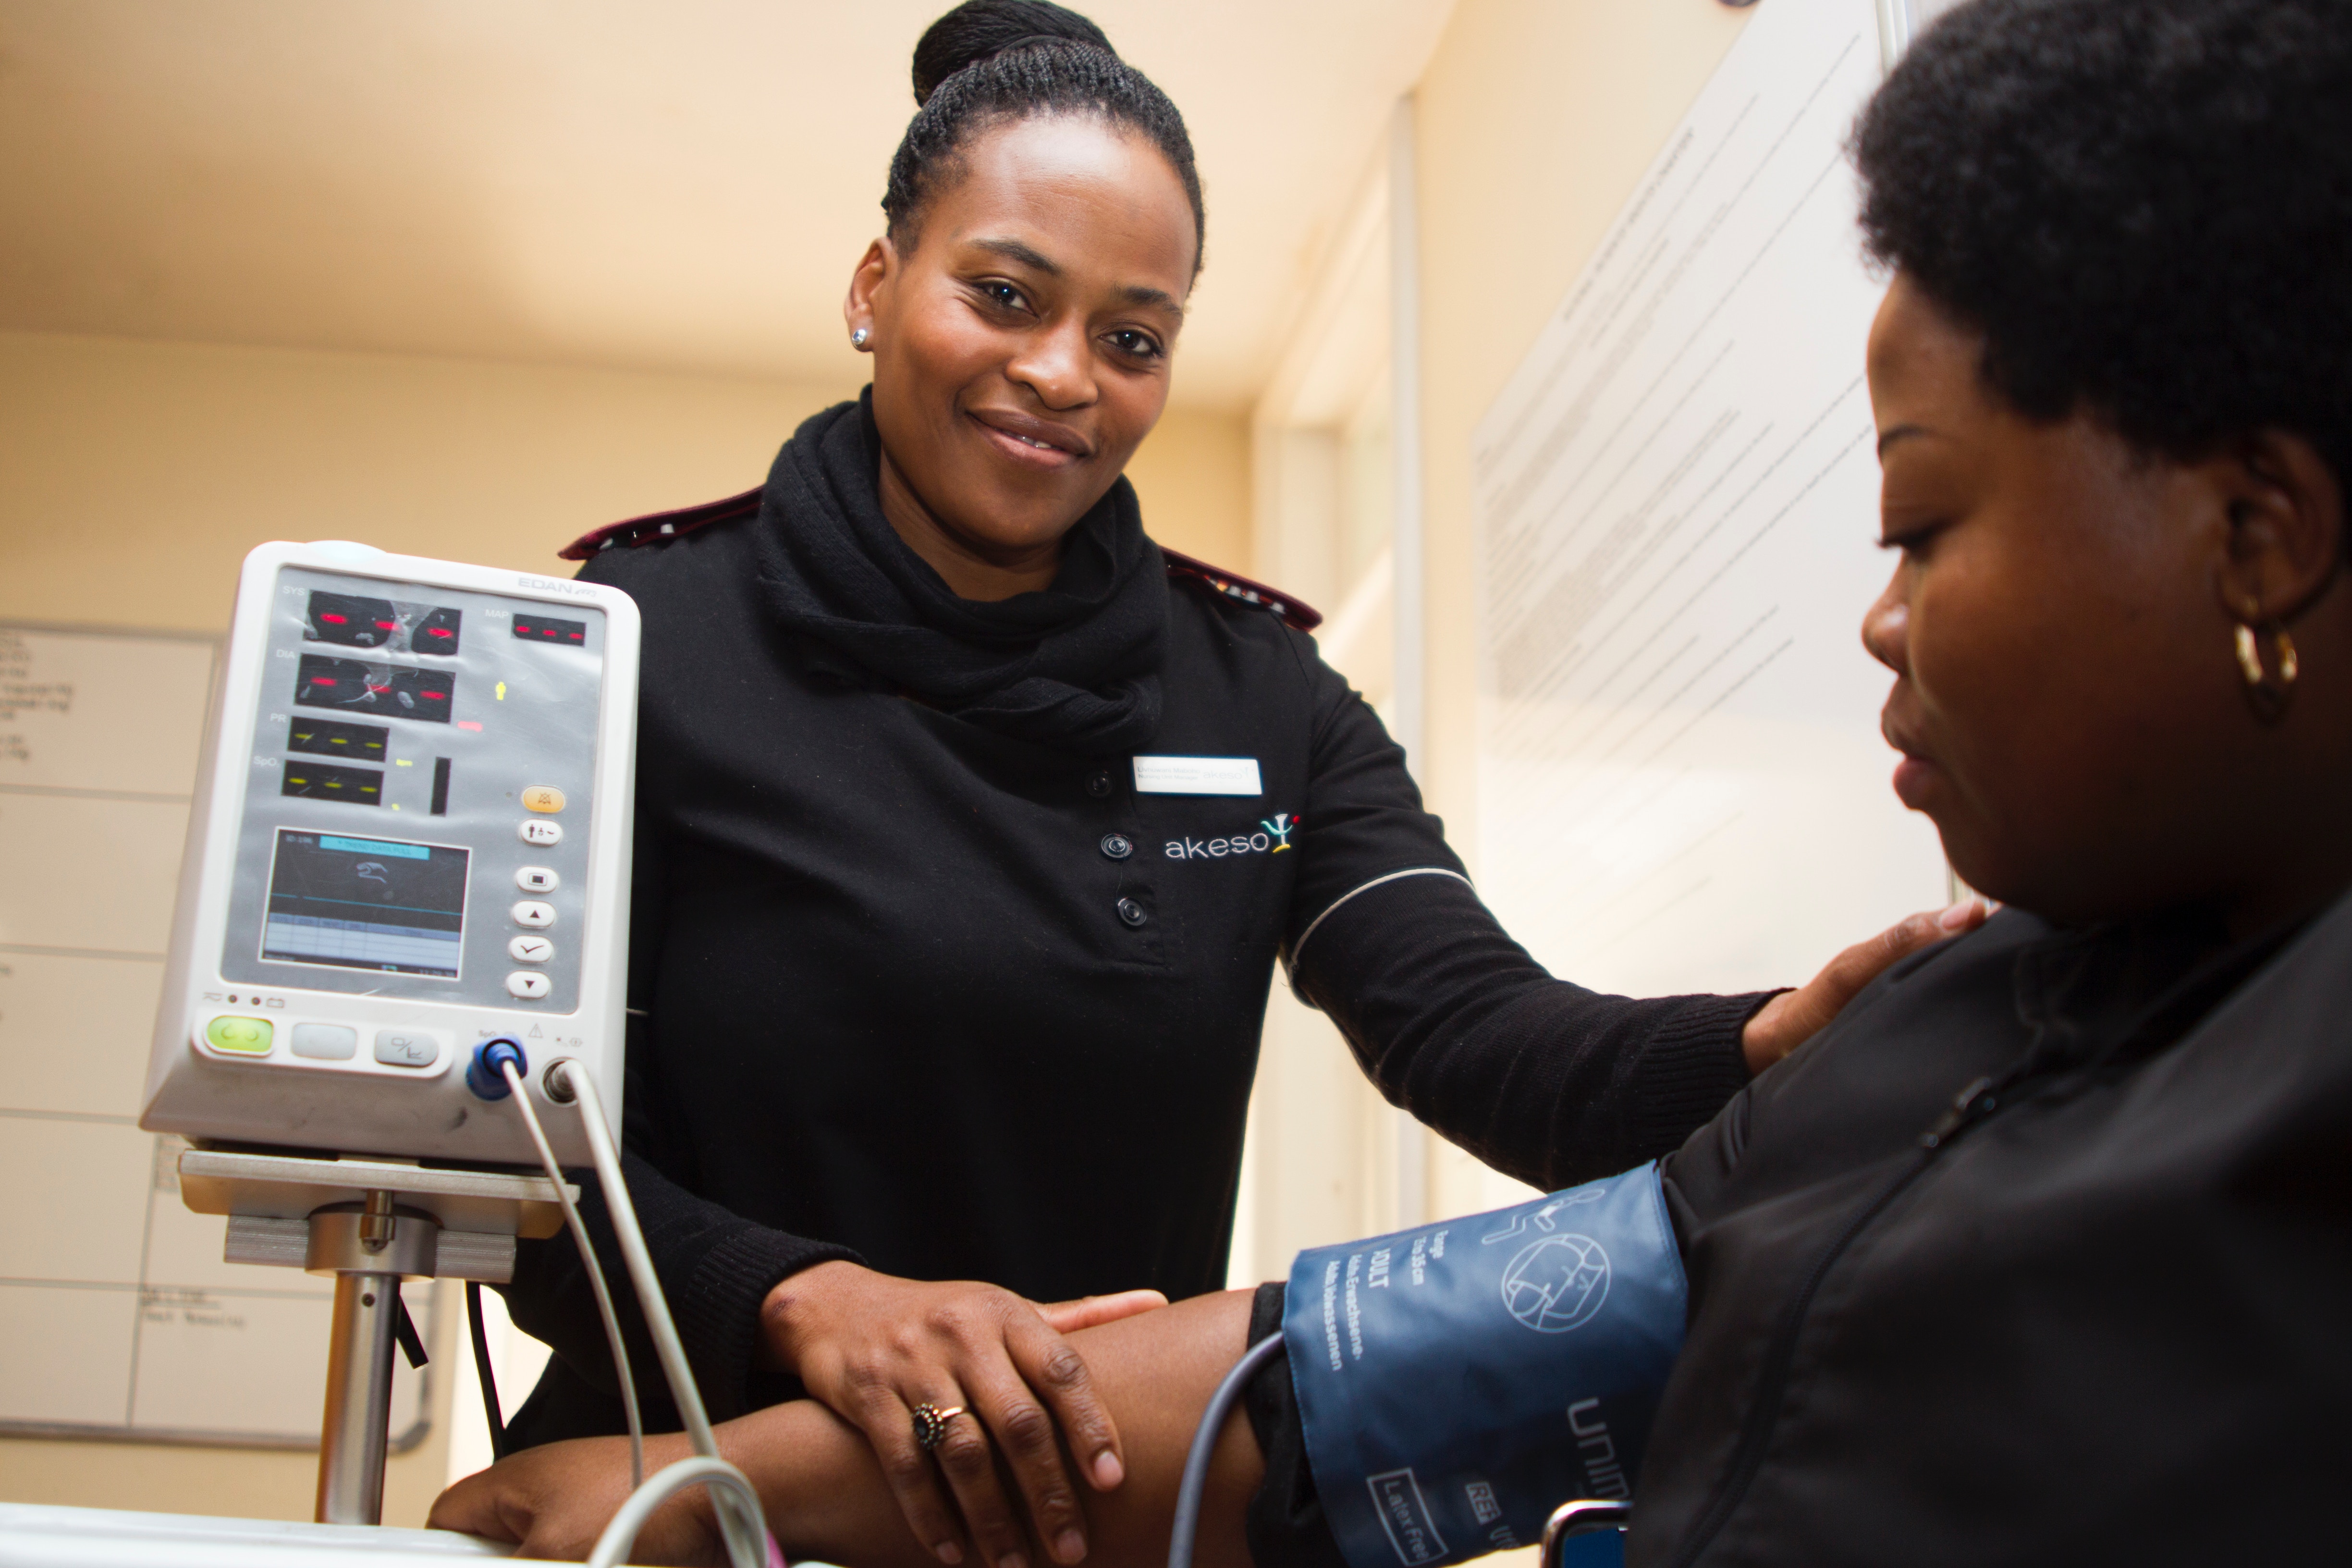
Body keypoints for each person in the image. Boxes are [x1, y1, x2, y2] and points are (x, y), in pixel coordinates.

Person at [435, 0, 2352, 1562]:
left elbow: (1476, 1030)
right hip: (657, 1468)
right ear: (877, 282)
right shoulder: (643, 650)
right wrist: (810, 1300)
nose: (1059, 376)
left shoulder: (1245, 726)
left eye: (1132, 336)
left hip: (1072, 1505)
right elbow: (523, 1149)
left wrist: (1757, 1053)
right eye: (1003, 298)